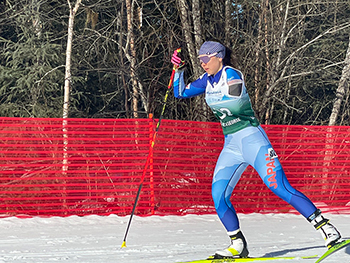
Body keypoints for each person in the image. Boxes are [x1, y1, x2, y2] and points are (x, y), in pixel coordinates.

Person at [170, 41, 342, 259]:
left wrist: (214, 100)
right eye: (200, 59)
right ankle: (237, 243)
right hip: (231, 145)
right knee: (218, 195)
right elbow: (180, 93)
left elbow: (234, 103)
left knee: (279, 186)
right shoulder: (207, 80)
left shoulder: (231, 74)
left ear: (219, 57)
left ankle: (327, 229)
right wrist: (179, 70)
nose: (203, 63)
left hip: (252, 139)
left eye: (206, 59)